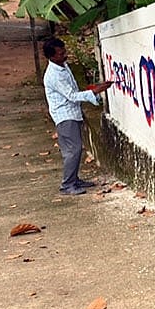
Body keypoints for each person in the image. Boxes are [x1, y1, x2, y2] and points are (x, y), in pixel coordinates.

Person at [42, 38, 112, 195]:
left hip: (71, 113)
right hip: (65, 116)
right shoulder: (54, 75)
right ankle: (67, 185)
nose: (65, 55)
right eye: (61, 54)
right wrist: (96, 91)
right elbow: (72, 96)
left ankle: (73, 179)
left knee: (75, 149)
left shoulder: (62, 66)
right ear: (52, 57)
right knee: (73, 150)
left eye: (64, 51)